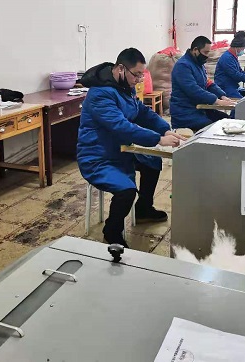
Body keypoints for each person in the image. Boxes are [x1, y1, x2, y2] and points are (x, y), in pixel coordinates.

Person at [77, 48, 185, 247]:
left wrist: (164, 129)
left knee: (152, 162)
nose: (139, 79)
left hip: (121, 149)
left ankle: (143, 209)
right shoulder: (100, 94)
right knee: (126, 190)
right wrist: (158, 139)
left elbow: (142, 112)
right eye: (136, 74)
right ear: (121, 69)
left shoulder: (124, 87)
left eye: (142, 74)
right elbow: (121, 126)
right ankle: (112, 231)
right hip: (98, 155)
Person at [170, 36, 236, 132]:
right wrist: (216, 101)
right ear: (195, 50)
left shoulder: (199, 64)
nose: (207, 56)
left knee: (226, 120)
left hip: (200, 109)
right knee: (213, 129)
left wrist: (222, 96)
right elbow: (193, 90)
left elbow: (208, 83)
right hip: (185, 113)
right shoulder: (183, 66)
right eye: (205, 52)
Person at [214, 31, 245, 98]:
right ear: (237, 47)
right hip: (224, 87)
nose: (243, 51)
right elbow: (235, 74)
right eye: (243, 49)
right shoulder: (227, 58)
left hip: (233, 86)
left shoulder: (233, 56)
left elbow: (240, 71)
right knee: (242, 102)